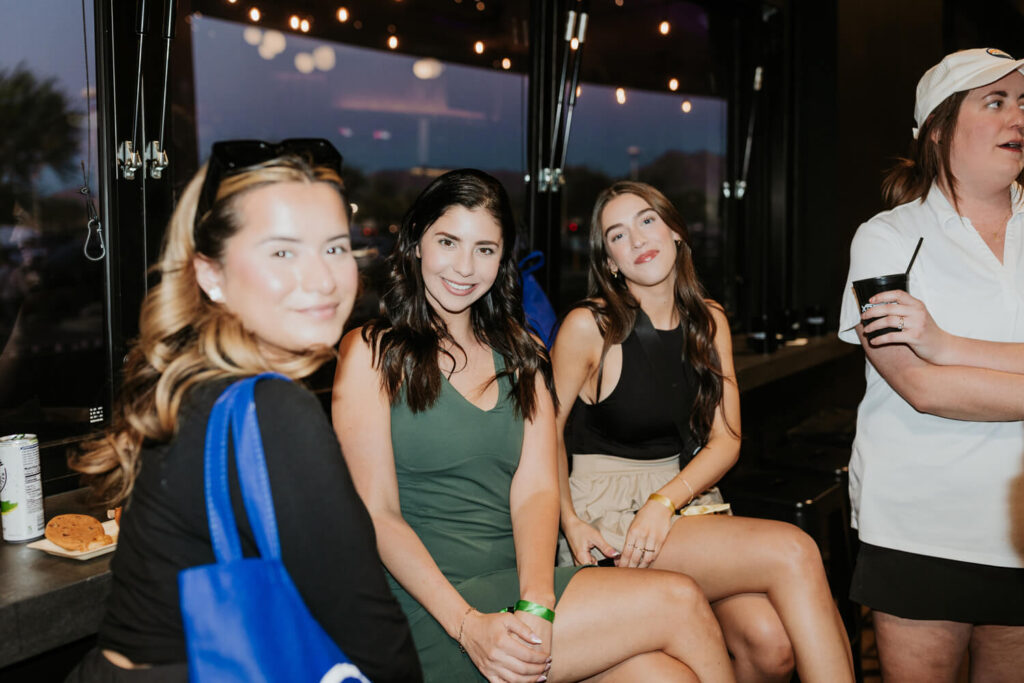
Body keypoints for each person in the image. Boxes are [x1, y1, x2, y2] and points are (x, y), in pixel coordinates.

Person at [333, 168, 738, 683]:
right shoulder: (370, 352)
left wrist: (539, 602)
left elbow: (537, 492)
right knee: (679, 599)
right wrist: (467, 625)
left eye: (485, 249)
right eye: (448, 242)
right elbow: (377, 514)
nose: (464, 266)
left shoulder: (523, 355)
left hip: (524, 586)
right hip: (428, 603)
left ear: (503, 260)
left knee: (664, 676)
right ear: (416, 244)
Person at [65, 139, 421, 682]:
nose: (323, 279)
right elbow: (372, 635)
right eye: (283, 251)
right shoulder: (274, 408)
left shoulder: (193, 379)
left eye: (334, 248)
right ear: (210, 274)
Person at [552, 181, 854, 683]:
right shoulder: (590, 326)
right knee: (793, 550)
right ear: (609, 262)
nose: (638, 239)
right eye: (618, 235)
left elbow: (727, 439)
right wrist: (569, 522)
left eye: (648, 221)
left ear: (674, 231)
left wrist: (663, 502)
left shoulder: (708, 320)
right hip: (603, 513)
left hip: (681, 500)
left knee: (770, 645)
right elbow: (540, 439)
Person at [839, 48, 1024, 682]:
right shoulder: (887, 240)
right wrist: (937, 363)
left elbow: (938, 367)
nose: (1018, 115)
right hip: (920, 528)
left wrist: (946, 344)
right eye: (995, 101)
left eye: (1022, 101)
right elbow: (919, 386)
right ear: (938, 129)